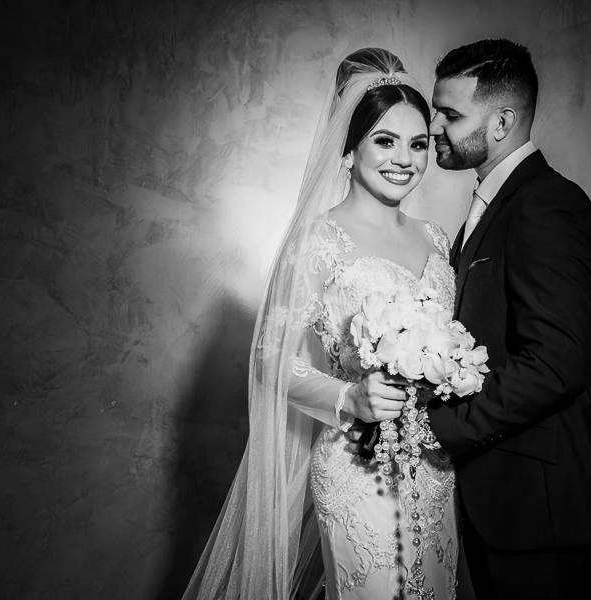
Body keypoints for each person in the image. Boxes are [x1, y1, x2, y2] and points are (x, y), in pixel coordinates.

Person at [183, 48, 461, 599]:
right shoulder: (318, 240)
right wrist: (349, 397)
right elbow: (269, 359)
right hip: (358, 465)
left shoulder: (437, 239)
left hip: (434, 464)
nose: (404, 159)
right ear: (349, 149)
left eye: (418, 144)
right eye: (385, 141)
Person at [425, 39, 591, 599]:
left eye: (450, 114)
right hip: (498, 497)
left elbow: (556, 363)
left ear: (502, 122)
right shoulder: (493, 204)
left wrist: (440, 429)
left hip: (538, 499)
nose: (434, 126)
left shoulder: (547, 205)